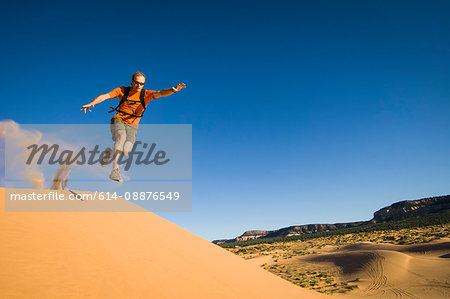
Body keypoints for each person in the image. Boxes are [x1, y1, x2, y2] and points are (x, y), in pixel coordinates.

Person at [81, 71, 186, 182]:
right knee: (121, 137)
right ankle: (115, 171)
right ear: (132, 82)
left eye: (142, 84)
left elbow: (160, 93)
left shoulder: (146, 94)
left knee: (126, 152)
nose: (139, 86)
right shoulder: (122, 90)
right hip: (119, 120)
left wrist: (173, 90)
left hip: (133, 127)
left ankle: (108, 154)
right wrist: (93, 103)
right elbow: (106, 96)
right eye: (136, 83)